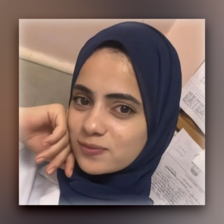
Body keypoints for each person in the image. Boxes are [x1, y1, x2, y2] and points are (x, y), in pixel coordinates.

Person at [19, 21, 182, 205]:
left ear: (159, 126)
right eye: (83, 100)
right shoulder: (30, 160)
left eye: (123, 109)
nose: (91, 125)